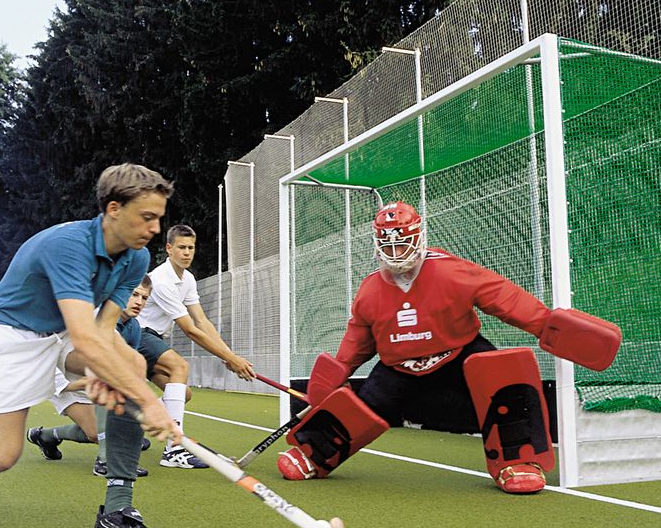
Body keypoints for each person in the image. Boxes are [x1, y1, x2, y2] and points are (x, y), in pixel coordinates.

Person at [276, 201, 620, 494]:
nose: (397, 251)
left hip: (459, 353)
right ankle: (313, 454)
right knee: (358, 406)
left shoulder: (453, 272)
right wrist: (334, 376)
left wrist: (544, 323)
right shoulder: (369, 291)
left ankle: (518, 461)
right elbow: (357, 341)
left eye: (403, 241)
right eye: (389, 243)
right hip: (399, 367)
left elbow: (504, 298)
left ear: (419, 236)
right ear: (378, 243)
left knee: (507, 380)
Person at [0, 163, 182, 528]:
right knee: (1, 456)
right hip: (15, 334)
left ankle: (117, 511)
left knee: (131, 365)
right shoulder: (67, 247)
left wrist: (114, 376)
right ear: (114, 209)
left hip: (68, 330)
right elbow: (85, 335)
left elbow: (100, 331)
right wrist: (150, 401)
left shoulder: (135, 258)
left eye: (158, 219)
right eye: (147, 217)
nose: (154, 228)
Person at [137, 223, 256, 469]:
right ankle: (174, 451)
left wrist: (229, 355)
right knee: (179, 366)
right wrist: (229, 358)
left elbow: (202, 321)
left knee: (182, 394)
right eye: (181, 247)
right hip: (137, 336)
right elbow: (190, 329)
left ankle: (131, 427)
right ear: (169, 248)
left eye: (191, 247)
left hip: (154, 339)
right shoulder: (161, 281)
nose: (187, 252)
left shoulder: (188, 279)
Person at [26, 275, 156, 477]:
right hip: (63, 380)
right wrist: (68, 386)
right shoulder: (92, 314)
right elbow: (48, 355)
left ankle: (45, 436)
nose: (139, 301)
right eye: (134, 294)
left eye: (144, 298)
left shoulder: (133, 328)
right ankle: (105, 462)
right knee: (105, 428)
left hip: (94, 382)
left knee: (97, 433)